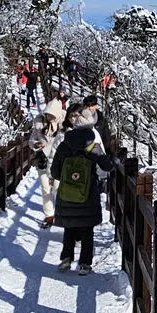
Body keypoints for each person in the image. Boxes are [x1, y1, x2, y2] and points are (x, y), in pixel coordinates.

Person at [50, 105, 115, 274]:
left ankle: (66, 259)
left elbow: (54, 172)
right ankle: (85, 265)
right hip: (88, 194)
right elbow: (106, 166)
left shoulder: (64, 146)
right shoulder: (92, 146)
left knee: (69, 227)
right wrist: (116, 159)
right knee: (87, 230)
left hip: (67, 193)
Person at [29, 100, 63, 227]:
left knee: (57, 188)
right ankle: (49, 216)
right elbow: (31, 140)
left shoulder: (64, 126)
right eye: (48, 114)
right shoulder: (39, 123)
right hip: (43, 160)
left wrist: (49, 143)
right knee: (45, 188)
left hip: (58, 162)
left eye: (52, 115)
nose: (49, 117)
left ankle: (61, 213)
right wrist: (36, 144)